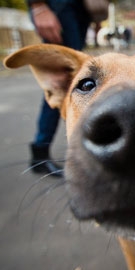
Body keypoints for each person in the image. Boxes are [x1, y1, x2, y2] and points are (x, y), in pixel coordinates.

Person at [27, 0, 91, 177]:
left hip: (80, 10)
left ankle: (42, 151)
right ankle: (40, 152)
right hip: (59, 6)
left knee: (68, 84)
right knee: (63, 86)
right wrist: (38, 6)